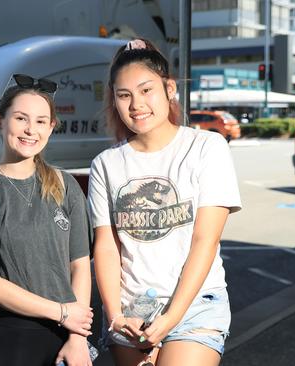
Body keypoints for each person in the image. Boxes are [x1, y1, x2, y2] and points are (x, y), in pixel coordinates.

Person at [89, 39, 242, 366]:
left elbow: (206, 240)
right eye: (124, 95)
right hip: (131, 313)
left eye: (146, 90)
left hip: (195, 305)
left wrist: (171, 319)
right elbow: (106, 247)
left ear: (169, 88)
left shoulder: (206, 147)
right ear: (114, 101)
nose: (136, 105)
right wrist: (115, 316)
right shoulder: (105, 164)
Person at [0, 74, 94, 366]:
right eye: (21, 118)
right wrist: (63, 312)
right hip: (10, 341)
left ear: (52, 127)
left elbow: (79, 265)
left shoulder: (66, 187)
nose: (31, 130)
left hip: (67, 338)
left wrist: (77, 339)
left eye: (41, 121)